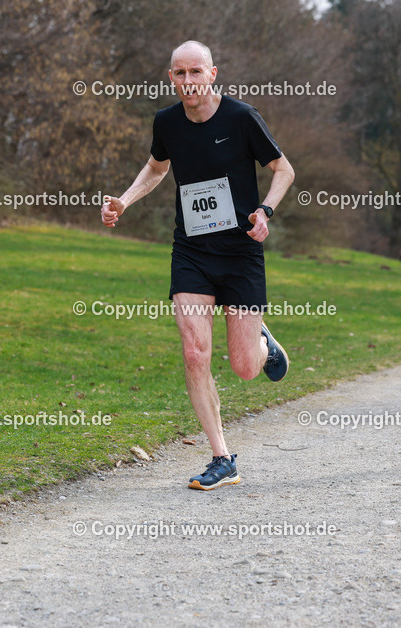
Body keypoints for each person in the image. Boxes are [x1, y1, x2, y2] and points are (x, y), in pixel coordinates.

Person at [100, 40, 295, 491]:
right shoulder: (167, 122)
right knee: (194, 351)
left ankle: (262, 342)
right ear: (172, 77)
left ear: (212, 74)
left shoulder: (241, 118)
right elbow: (156, 167)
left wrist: (264, 211)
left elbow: (283, 170)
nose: (188, 81)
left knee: (244, 366)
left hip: (241, 251)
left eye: (195, 72)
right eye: (179, 73)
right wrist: (123, 201)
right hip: (191, 251)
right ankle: (222, 457)